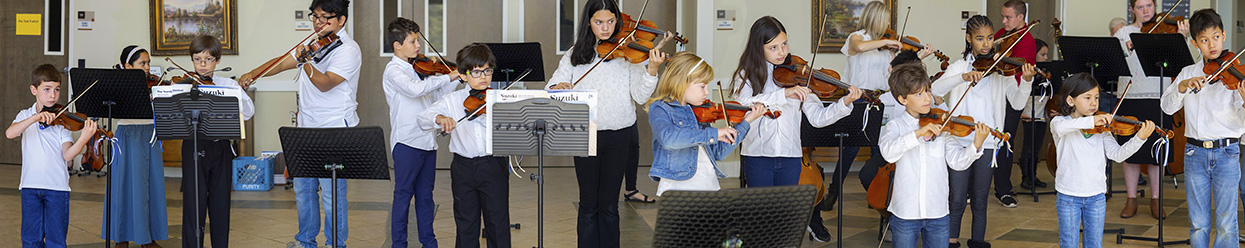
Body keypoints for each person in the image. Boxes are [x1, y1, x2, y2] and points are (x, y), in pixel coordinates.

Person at [543, 0, 672, 246]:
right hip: (584, 134)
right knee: (588, 203)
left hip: (619, 134)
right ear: (588, 23)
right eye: (599, 22)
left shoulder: (630, 54)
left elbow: (641, 96)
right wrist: (557, 87)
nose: (605, 28)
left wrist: (652, 70)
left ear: (618, 21)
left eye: (611, 21)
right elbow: (552, 86)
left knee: (610, 206)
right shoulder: (575, 54)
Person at [239, 0, 361, 247]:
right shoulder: (312, 43)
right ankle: (305, 241)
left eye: (325, 18)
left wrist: (306, 61)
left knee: (331, 193)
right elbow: (283, 61)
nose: (318, 23)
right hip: (306, 127)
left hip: (335, 127)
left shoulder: (348, 49)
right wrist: (254, 72)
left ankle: (335, 243)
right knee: (304, 191)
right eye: (315, 17)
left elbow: (325, 83)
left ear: (341, 20)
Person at [730, 15, 862, 242]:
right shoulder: (746, 75)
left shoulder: (799, 76)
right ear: (758, 48)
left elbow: (819, 118)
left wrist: (844, 104)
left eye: (784, 44)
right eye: (773, 47)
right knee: (760, 221)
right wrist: (784, 93)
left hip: (790, 158)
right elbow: (742, 106)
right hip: (758, 156)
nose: (781, 51)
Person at [931, 14, 1036, 248]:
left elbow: (1018, 104)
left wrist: (1026, 81)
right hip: (958, 139)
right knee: (957, 198)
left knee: (980, 198)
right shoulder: (959, 66)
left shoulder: (1002, 68)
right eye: (980, 39)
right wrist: (962, 77)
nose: (987, 44)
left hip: (988, 140)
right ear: (969, 39)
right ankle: (951, 242)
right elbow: (935, 89)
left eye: (990, 38)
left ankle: (977, 242)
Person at [826, 0, 936, 212]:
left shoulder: (887, 47)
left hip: (881, 99)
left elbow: (895, 74)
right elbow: (858, 48)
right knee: (851, 148)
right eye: (884, 19)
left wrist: (919, 56)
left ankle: (878, 194)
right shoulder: (856, 38)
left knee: (881, 148)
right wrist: (887, 43)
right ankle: (834, 191)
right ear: (875, 19)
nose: (887, 23)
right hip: (858, 98)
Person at [1159, 9, 1243, 247]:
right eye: (1204, 40)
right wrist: (1182, 87)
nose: (1211, 44)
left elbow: (1242, 123)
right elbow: (1166, 107)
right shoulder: (1188, 73)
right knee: (1198, 221)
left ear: (1224, 35)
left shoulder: (1234, 75)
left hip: (1227, 152)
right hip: (1194, 153)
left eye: (1215, 37)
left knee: (1227, 222)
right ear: (1195, 43)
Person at [879, 62, 987, 248]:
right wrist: (918, 134)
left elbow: (956, 163)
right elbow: (888, 153)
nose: (927, 98)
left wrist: (975, 145)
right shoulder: (895, 126)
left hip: (938, 212)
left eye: (928, 91)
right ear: (903, 99)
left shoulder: (942, 128)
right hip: (906, 211)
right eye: (919, 94)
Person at [418, 43, 511, 248]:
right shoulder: (452, 99)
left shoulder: (500, 99)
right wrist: (440, 118)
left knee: (498, 222)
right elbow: (423, 118)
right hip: (463, 168)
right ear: (463, 75)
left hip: (493, 164)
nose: (484, 77)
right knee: (466, 223)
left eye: (487, 71)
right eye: (476, 72)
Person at [1049, 73, 1153, 248]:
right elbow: (1063, 127)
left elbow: (1117, 155)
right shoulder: (1060, 122)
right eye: (1087, 97)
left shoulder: (1102, 128)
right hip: (1068, 196)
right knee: (1068, 243)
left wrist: (1139, 139)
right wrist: (1091, 120)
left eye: (1096, 98)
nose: (1093, 103)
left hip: (1096, 196)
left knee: (1095, 244)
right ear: (1070, 101)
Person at [382, 17, 459, 248]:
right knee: (403, 197)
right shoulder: (394, 71)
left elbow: (435, 97)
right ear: (397, 45)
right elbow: (415, 91)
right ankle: (399, 244)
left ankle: (429, 243)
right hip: (406, 143)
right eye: (413, 41)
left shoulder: (419, 69)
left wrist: (457, 77)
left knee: (426, 197)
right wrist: (448, 76)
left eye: (418, 40)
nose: (418, 46)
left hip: (427, 142)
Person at [1114, 0, 1190, 219]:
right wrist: (1127, 49)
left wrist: (1181, 39)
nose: (1146, 11)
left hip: (1158, 96)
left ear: (1155, 7)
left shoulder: (1167, 31)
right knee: (1131, 152)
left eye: (1149, 6)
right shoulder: (1123, 33)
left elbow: (1179, 64)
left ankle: (1156, 200)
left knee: (1157, 151)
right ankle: (1131, 200)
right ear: (1132, 10)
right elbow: (1116, 63)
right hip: (1130, 96)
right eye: (1140, 7)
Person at [646, 52, 762, 196]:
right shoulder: (660, 108)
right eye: (702, 86)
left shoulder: (699, 112)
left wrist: (746, 122)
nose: (707, 91)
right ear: (681, 82)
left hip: (709, 185)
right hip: (677, 190)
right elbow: (669, 139)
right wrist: (713, 134)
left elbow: (718, 152)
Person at [8, 64, 99, 248]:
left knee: (56, 241)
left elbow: (67, 155)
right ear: (34, 90)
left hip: (57, 189)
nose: (52, 95)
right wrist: (34, 118)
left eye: (57, 90)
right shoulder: (25, 115)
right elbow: (10, 133)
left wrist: (82, 139)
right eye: (47, 89)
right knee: (30, 239)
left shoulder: (62, 121)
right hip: (30, 186)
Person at [179, 35, 256, 248]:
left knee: (220, 203)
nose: (202, 65)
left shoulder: (227, 84)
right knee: (193, 205)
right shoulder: (184, 85)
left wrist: (235, 99)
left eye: (208, 59)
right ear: (191, 59)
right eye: (197, 59)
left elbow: (249, 112)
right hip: (193, 145)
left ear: (218, 60)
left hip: (221, 147)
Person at [105, 45, 169, 248]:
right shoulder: (119, 86)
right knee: (123, 185)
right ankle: (120, 237)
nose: (148, 67)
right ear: (127, 66)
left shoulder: (154, 86)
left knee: (151, 186)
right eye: (142, 63)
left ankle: (148, 238)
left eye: (148, 63)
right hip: (128, 136)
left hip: (150, 135)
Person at [991, 0, 1038, 208]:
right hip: (992, 93)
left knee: (1005, 142)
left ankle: (1003, 189)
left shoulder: (1027, 41)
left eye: (1008, 17)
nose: (1003, 21)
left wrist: (1001, 61)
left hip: (1011, 97)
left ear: (1021, 17)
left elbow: (1017, 73)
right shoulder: (1002, 32)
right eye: (1003, 16)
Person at [1018, 39, 1052, 190]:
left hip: (1042, 112)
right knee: (1029, 145)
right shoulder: (1028, 72)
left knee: (1037, 146)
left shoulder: (1045, 72)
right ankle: (1025, 177)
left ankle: (1033, 175)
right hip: (1029, 111)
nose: (1045, 58)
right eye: (1042, 54)